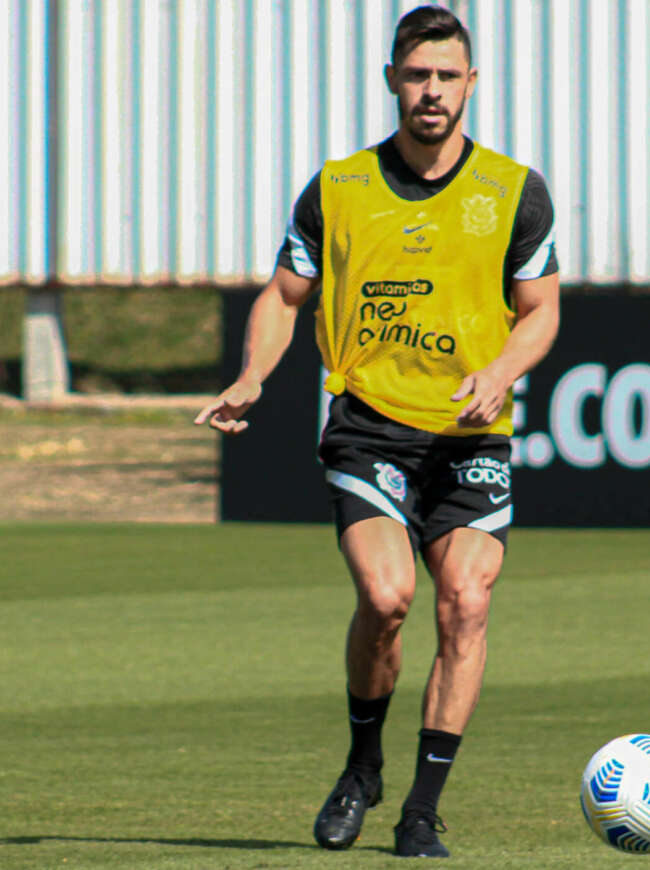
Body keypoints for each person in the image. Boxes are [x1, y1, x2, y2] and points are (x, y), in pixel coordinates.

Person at [194, 4, 559, 859]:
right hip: (368, 427)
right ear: (393, 81)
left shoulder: (513, 191)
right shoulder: (340, 187)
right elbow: (285, 297)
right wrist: (251, 377)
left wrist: (500, 372)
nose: (431, 90)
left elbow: (540, 315)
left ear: (472, 83)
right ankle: (363, 766)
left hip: (473, 435)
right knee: (388, 599)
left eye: (447, 75)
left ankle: (422, 812)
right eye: (416, 74)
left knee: (466, 602)